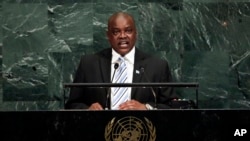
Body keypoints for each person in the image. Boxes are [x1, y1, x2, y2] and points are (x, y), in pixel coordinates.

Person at [65, 11, 178, 110]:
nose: (122, 36)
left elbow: (171, 105)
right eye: (116, 32)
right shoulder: (89, 64)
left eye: (128, 31)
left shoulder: (157, 66)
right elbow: (72, 105)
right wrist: (88, 109)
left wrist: (146, 107)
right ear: (108, 35)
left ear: (135, 34)